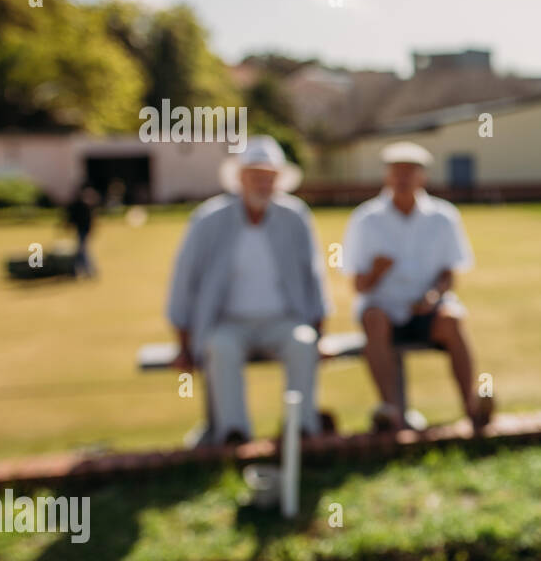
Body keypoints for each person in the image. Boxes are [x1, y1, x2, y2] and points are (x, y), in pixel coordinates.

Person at [166, 136, 330, 444]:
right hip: (227, 322)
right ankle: (233, 435)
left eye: (269, 177)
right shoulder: (208, 219)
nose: (262, 183)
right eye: (255, 175)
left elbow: (314, 276)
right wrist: (183, 343)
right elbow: (184, 280)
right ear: (240, 178)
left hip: (283, 320)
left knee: (303, 344)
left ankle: (303, 430)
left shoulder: (295, 217)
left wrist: (321, 333)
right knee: (222, 350)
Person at [342, 141, 493, 433]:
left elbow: (449, 274)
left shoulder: (443, 217)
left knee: (453, 319)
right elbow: (359, 286)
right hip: (382, 312)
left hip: (427, 312)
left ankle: (471, 409)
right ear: (386, 176)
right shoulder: (366, 219)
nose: (402, 178)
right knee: (374, 319)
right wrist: (376, 271)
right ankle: (391, 412)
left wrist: (433, 296)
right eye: (396, 172)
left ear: (422, 176)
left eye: (409, 172)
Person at [65, 184, 100, 278]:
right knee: (80, 251)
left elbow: (75, 219)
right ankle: (77, 270)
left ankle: (88, 271)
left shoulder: (82, 206)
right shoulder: (84, 206)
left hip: (83, 231)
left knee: (82, 251)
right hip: (82, 231)